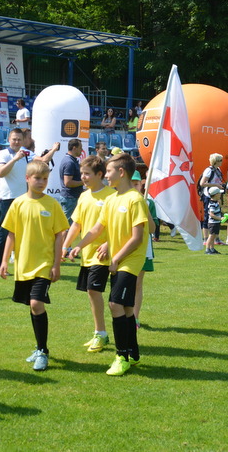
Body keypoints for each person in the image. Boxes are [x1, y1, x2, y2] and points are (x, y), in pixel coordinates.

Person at [70, 154, 147, 376]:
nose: (107, 175)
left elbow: (137, 238)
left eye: (110, 171)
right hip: (118, 259)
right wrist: (78, 246)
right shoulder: (112, 199)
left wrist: (115, 258)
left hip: (130, 260)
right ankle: (133, 354)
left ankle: (121, 356)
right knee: (127, 308)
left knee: (115, 305)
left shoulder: (135, 199)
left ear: (121, 172)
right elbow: (97, 229)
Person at [0, 161, 68, 371]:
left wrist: (56, 264)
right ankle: (38, 348)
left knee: (37, 303)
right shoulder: (18, 203)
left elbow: (59, 235)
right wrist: (4, 260)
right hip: (23, 265)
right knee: (32, 305)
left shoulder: (52, 205)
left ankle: (43, 352)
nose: (41, 182)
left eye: (45, 179)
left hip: (44, 265)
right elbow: (11, 234)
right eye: (37, 178)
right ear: (27, 179)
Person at [62, 156, 115, 352]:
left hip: (103, 254)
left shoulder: (112, 195)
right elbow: (77, 224)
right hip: (87, 253)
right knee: (91, 293)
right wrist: (66, 245)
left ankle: (101, 333)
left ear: (99, 174)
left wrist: (109, 244)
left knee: (94, 291)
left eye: (87, 174)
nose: (83, 177)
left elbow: (119, 226)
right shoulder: (84, 196)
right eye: (81, 173)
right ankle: (99, 332)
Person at [0, 129, 32, 274]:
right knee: (4, 233)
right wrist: (15, 159)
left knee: (22, 233)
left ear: (23, 141)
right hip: (6, 199)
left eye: (19, 139)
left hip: (22, 199)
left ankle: (20, 264)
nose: (16, 142)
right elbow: (1, 173)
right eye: (14, 139)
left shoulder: (26, 156)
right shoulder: (4, 154)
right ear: (9, 139)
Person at [131, 169, 155, 328]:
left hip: (144, 249)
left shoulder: (149, 203)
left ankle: (135, 317)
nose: (134, 187)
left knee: (137, 283)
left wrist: (145, 210)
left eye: (136, 184)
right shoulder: (118, 200)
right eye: (131, 184)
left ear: (141, 185)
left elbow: (152, 228)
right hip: (123, 248)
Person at [199, 153, 225, 243]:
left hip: (216, 195)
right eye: (220, 160)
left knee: (217, 215)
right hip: (208, 195)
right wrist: (216, 185)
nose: (222, 162)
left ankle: (216, 238)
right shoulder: (209, 170)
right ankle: (206, 238)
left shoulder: (218, 170)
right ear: (216, 161)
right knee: (208, 216)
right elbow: (202, 183)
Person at [59, 139, 84, 224]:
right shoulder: (69, 162)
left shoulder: (71, 160)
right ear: (74, 148)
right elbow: (68, 183)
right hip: (70, 199)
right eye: (80, 148)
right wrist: (83, 182)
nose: (82, 150)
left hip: (71, 198)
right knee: (67, 225)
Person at [204, 187, 223, 254]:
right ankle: (207, 249)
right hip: (213, 223)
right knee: (211, 236)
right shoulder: (212, 204)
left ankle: (212, 248)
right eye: (219, 193)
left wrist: (219, 204)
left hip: (216, 222)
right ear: (216, 194)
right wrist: (220, 218)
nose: (220, 195)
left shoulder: (216, 202)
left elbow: (218, 209)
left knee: (214, 236)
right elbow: (212, 214)